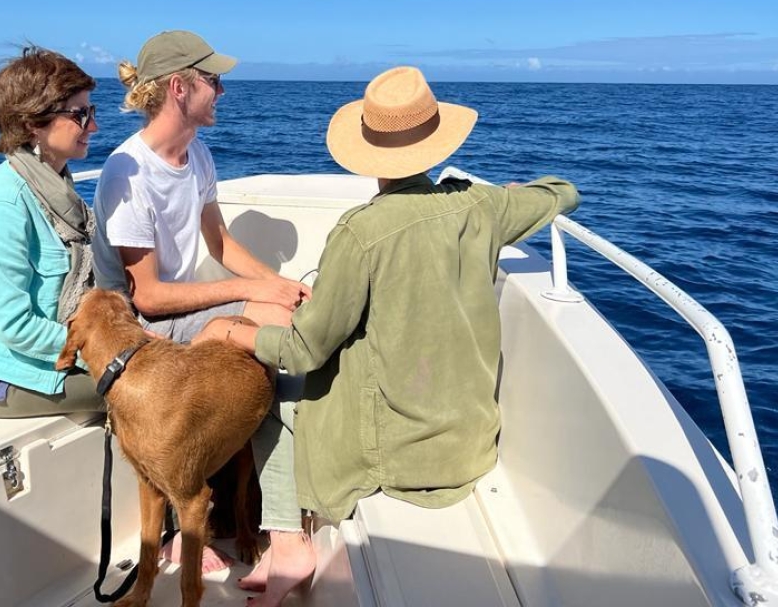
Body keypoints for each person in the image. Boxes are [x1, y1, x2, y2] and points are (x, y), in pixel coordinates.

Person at [198, 66, 580, 526]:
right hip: (468, 447)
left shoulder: (360, 232)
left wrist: (230, 331)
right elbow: (562, 191)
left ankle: (287, 548)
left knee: (267, 396)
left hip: (396, 459)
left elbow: (302, 352)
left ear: (369, 151)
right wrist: (508, 194)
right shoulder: (484, 205)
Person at [91, 30, 314, 606]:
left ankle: (281, 509)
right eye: (213, 80)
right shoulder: (126, 172)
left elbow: (218, 242)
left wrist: (275, 283)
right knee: (278, 334)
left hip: (195, 302)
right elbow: (149, 298)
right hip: (156, 326)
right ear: (178, 87)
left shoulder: (197, 153)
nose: (222, 91)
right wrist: (248, 294)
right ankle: (285, 527)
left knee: (292, 314)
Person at [0, 46, 103, 419]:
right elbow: (15, 326)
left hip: (55, 356)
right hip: (3, 377)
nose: (93, 126)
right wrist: (106, 346)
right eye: (80, 114)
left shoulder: (53, 185)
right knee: (162, 389)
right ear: (34, 123)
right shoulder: (8, 205)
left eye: (91, 112)